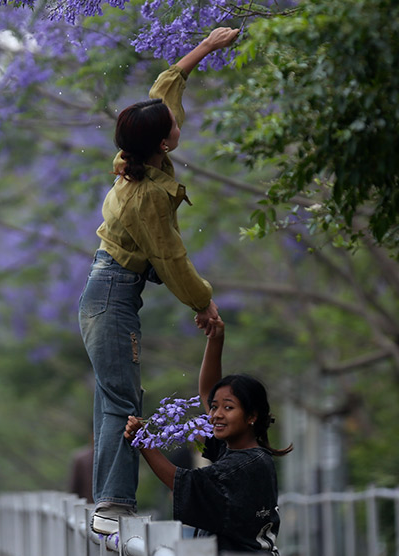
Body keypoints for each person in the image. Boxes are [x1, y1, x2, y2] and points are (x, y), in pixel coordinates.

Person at [79, 26, 240, 536]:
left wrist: (207, 47)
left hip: (109, 292)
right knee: (122, 401)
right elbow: (171, 260)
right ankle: (112, 506)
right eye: (171, 123)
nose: (175, 118)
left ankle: (110, 502)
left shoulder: (142, 161)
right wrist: (204, 303)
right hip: (112, 297)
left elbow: (162, 90)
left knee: (115, 397)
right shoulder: (146, 197)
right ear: (162, 142)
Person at [125, 317, 292, 554]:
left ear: (251, 416)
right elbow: (207, 391)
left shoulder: (243, 466)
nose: (216, 414)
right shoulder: (240, 452)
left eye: (229, 407)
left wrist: (144, 441)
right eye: (214, 407)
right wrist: (215, 339)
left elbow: (183, 483)